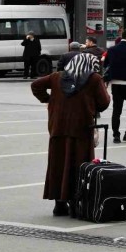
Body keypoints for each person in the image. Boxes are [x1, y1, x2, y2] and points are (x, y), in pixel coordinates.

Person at [31, 53, 110, 216]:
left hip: (58, 127)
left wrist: (48, 99)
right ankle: (75, 203)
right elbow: (104, 103)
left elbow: (36, 85)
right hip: (81, 128)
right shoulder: (94, 79)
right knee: (79, 164)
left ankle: (59, 203)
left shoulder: (57, 76)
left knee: (58, 163)